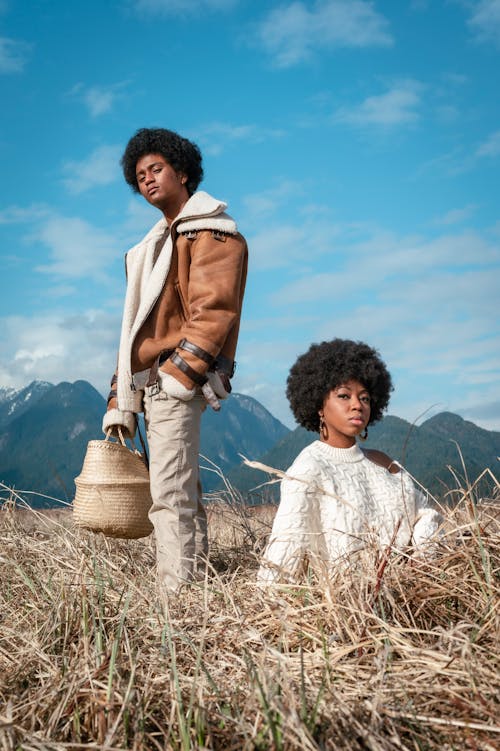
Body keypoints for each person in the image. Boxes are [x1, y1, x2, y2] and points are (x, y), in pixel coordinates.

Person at [103, 127, 248, 593]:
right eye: (139, 174)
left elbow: (214, 312)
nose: (147, 179)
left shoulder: (210, 233)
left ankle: (175, 595)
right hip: (151, 381)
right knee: (179, 490)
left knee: (168, 495)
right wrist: (122, 393)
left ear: (182, 171)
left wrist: (178, 374)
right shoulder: (155, 244)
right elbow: (135, 329)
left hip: (173, 379)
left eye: (157, 169)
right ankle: (196, 586)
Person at [258, 339, 440, 584]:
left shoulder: (383, 462)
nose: (357, 405)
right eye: (344, 396)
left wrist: (422, 557)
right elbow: (284, 557)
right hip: (346, 608)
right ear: (319, 406)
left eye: (364, 398)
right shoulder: (308, 469)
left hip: (411, 595)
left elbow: (426, 513)